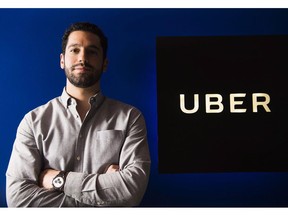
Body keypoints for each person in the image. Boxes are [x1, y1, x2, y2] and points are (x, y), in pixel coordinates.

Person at [6, 22, 151, 207]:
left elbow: (131, 191)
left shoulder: (130, 118)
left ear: (104, 63)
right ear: (61, 60)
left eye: (92, 51)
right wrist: (104, 193)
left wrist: (58, 180)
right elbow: (19, 200)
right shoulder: (33, 122)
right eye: (75, 50)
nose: (83, 58)